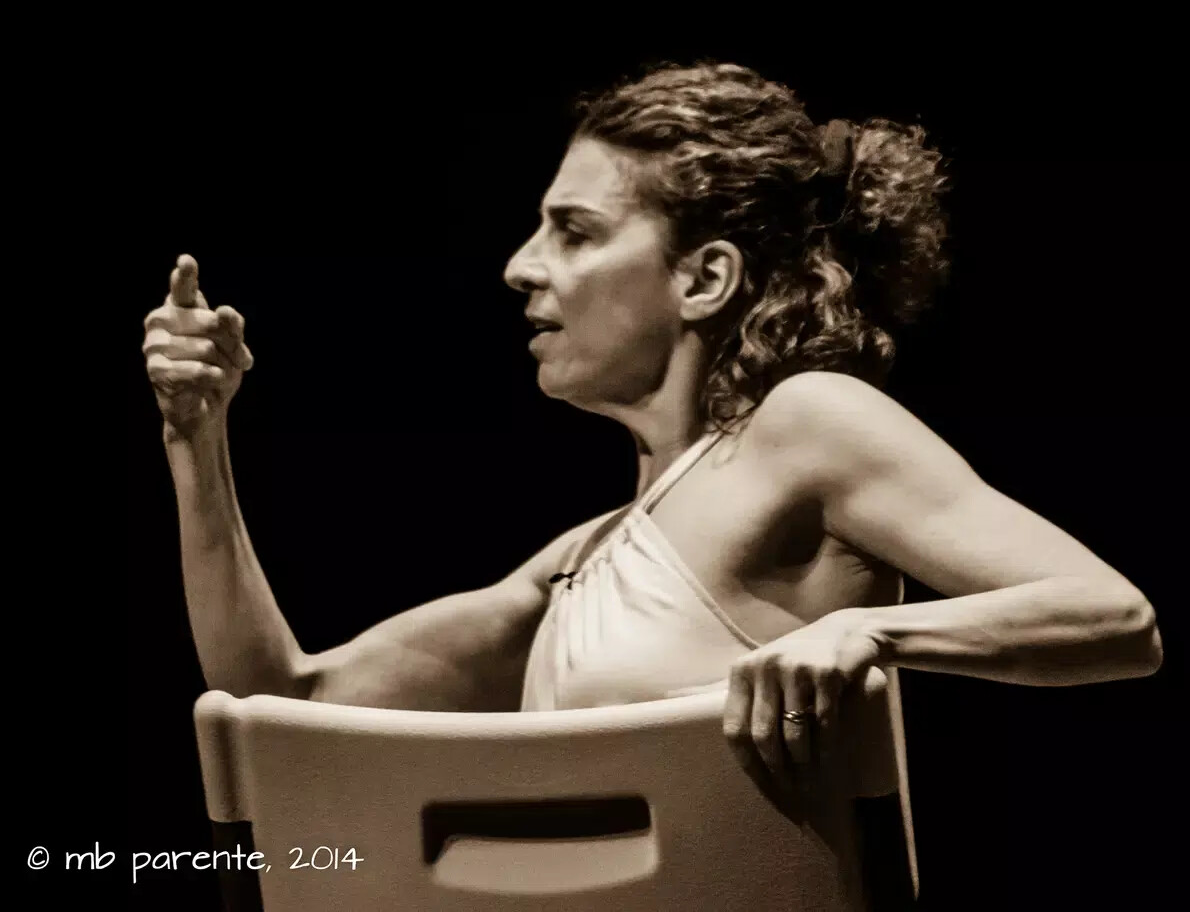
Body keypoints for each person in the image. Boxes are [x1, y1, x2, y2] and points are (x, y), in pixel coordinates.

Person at [142, 61, 1163, 904]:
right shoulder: (583, 558)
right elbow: (280, 701)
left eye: (573, 230)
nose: (518, 265)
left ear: (702, 278)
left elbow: (1108, 615)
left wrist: (867, 633)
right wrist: (198, 444)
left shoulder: (801, 423)